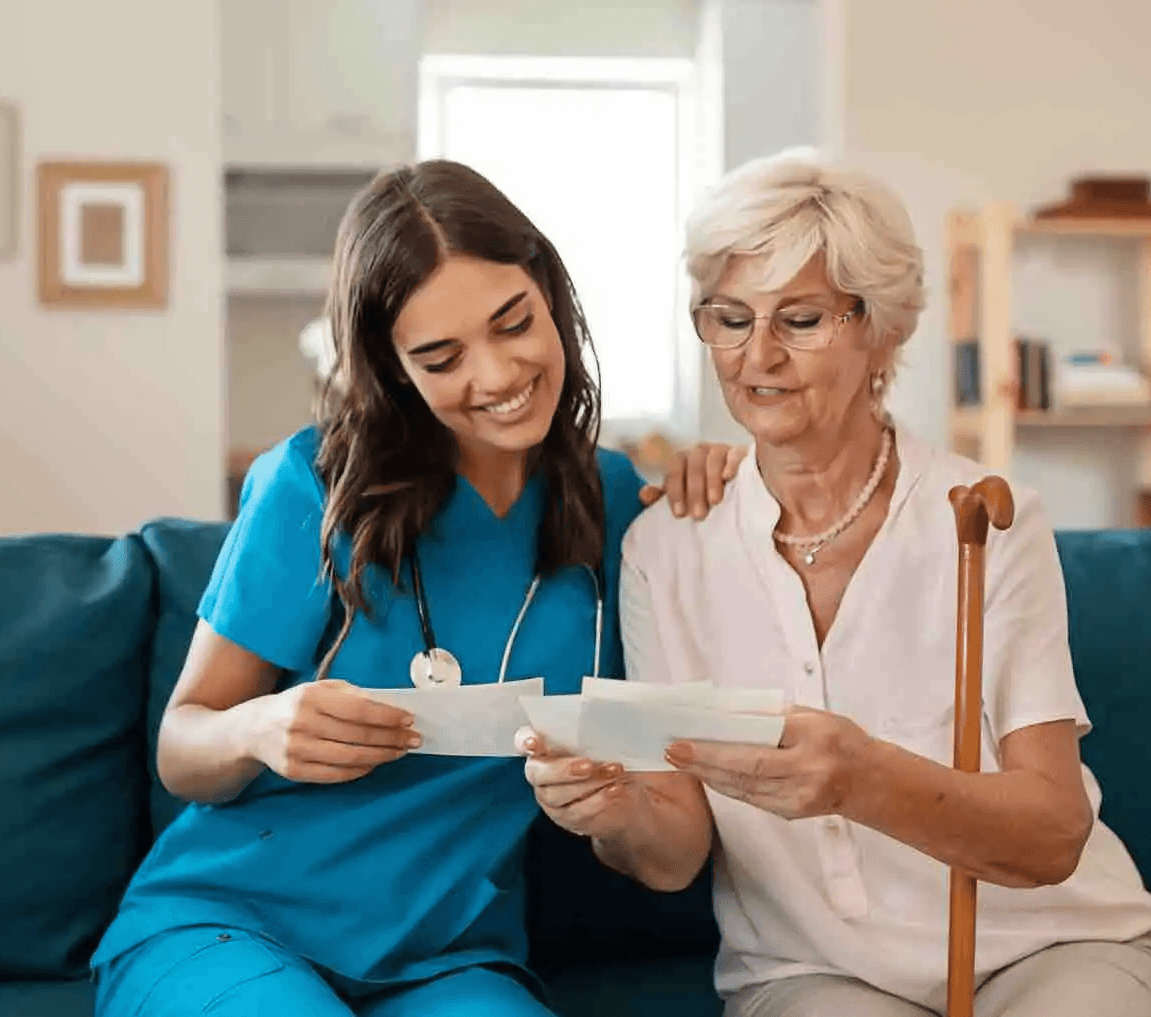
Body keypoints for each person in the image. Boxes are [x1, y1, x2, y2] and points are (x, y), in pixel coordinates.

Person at [519, 149, 1151, 1017]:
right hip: (813, 974)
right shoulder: (669, 547)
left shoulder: (988, 518)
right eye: (728, 318)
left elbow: (1052, 832)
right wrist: (612, 808)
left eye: (799, 320)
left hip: (1056, 944)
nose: (755, 356)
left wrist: (860, 776)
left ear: (882, 328)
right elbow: (675, 851)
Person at [89, 159, 733, 1017]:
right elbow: (183, 744)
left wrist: (612, 803)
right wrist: (261, 727)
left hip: (448, 959)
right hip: (228, 924)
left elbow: (670, 858)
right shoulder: (312, 488)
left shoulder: (624, 508)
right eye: (442, 357)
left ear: (548, 292)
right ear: (394, 369)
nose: (497, 376)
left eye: (514, 324)